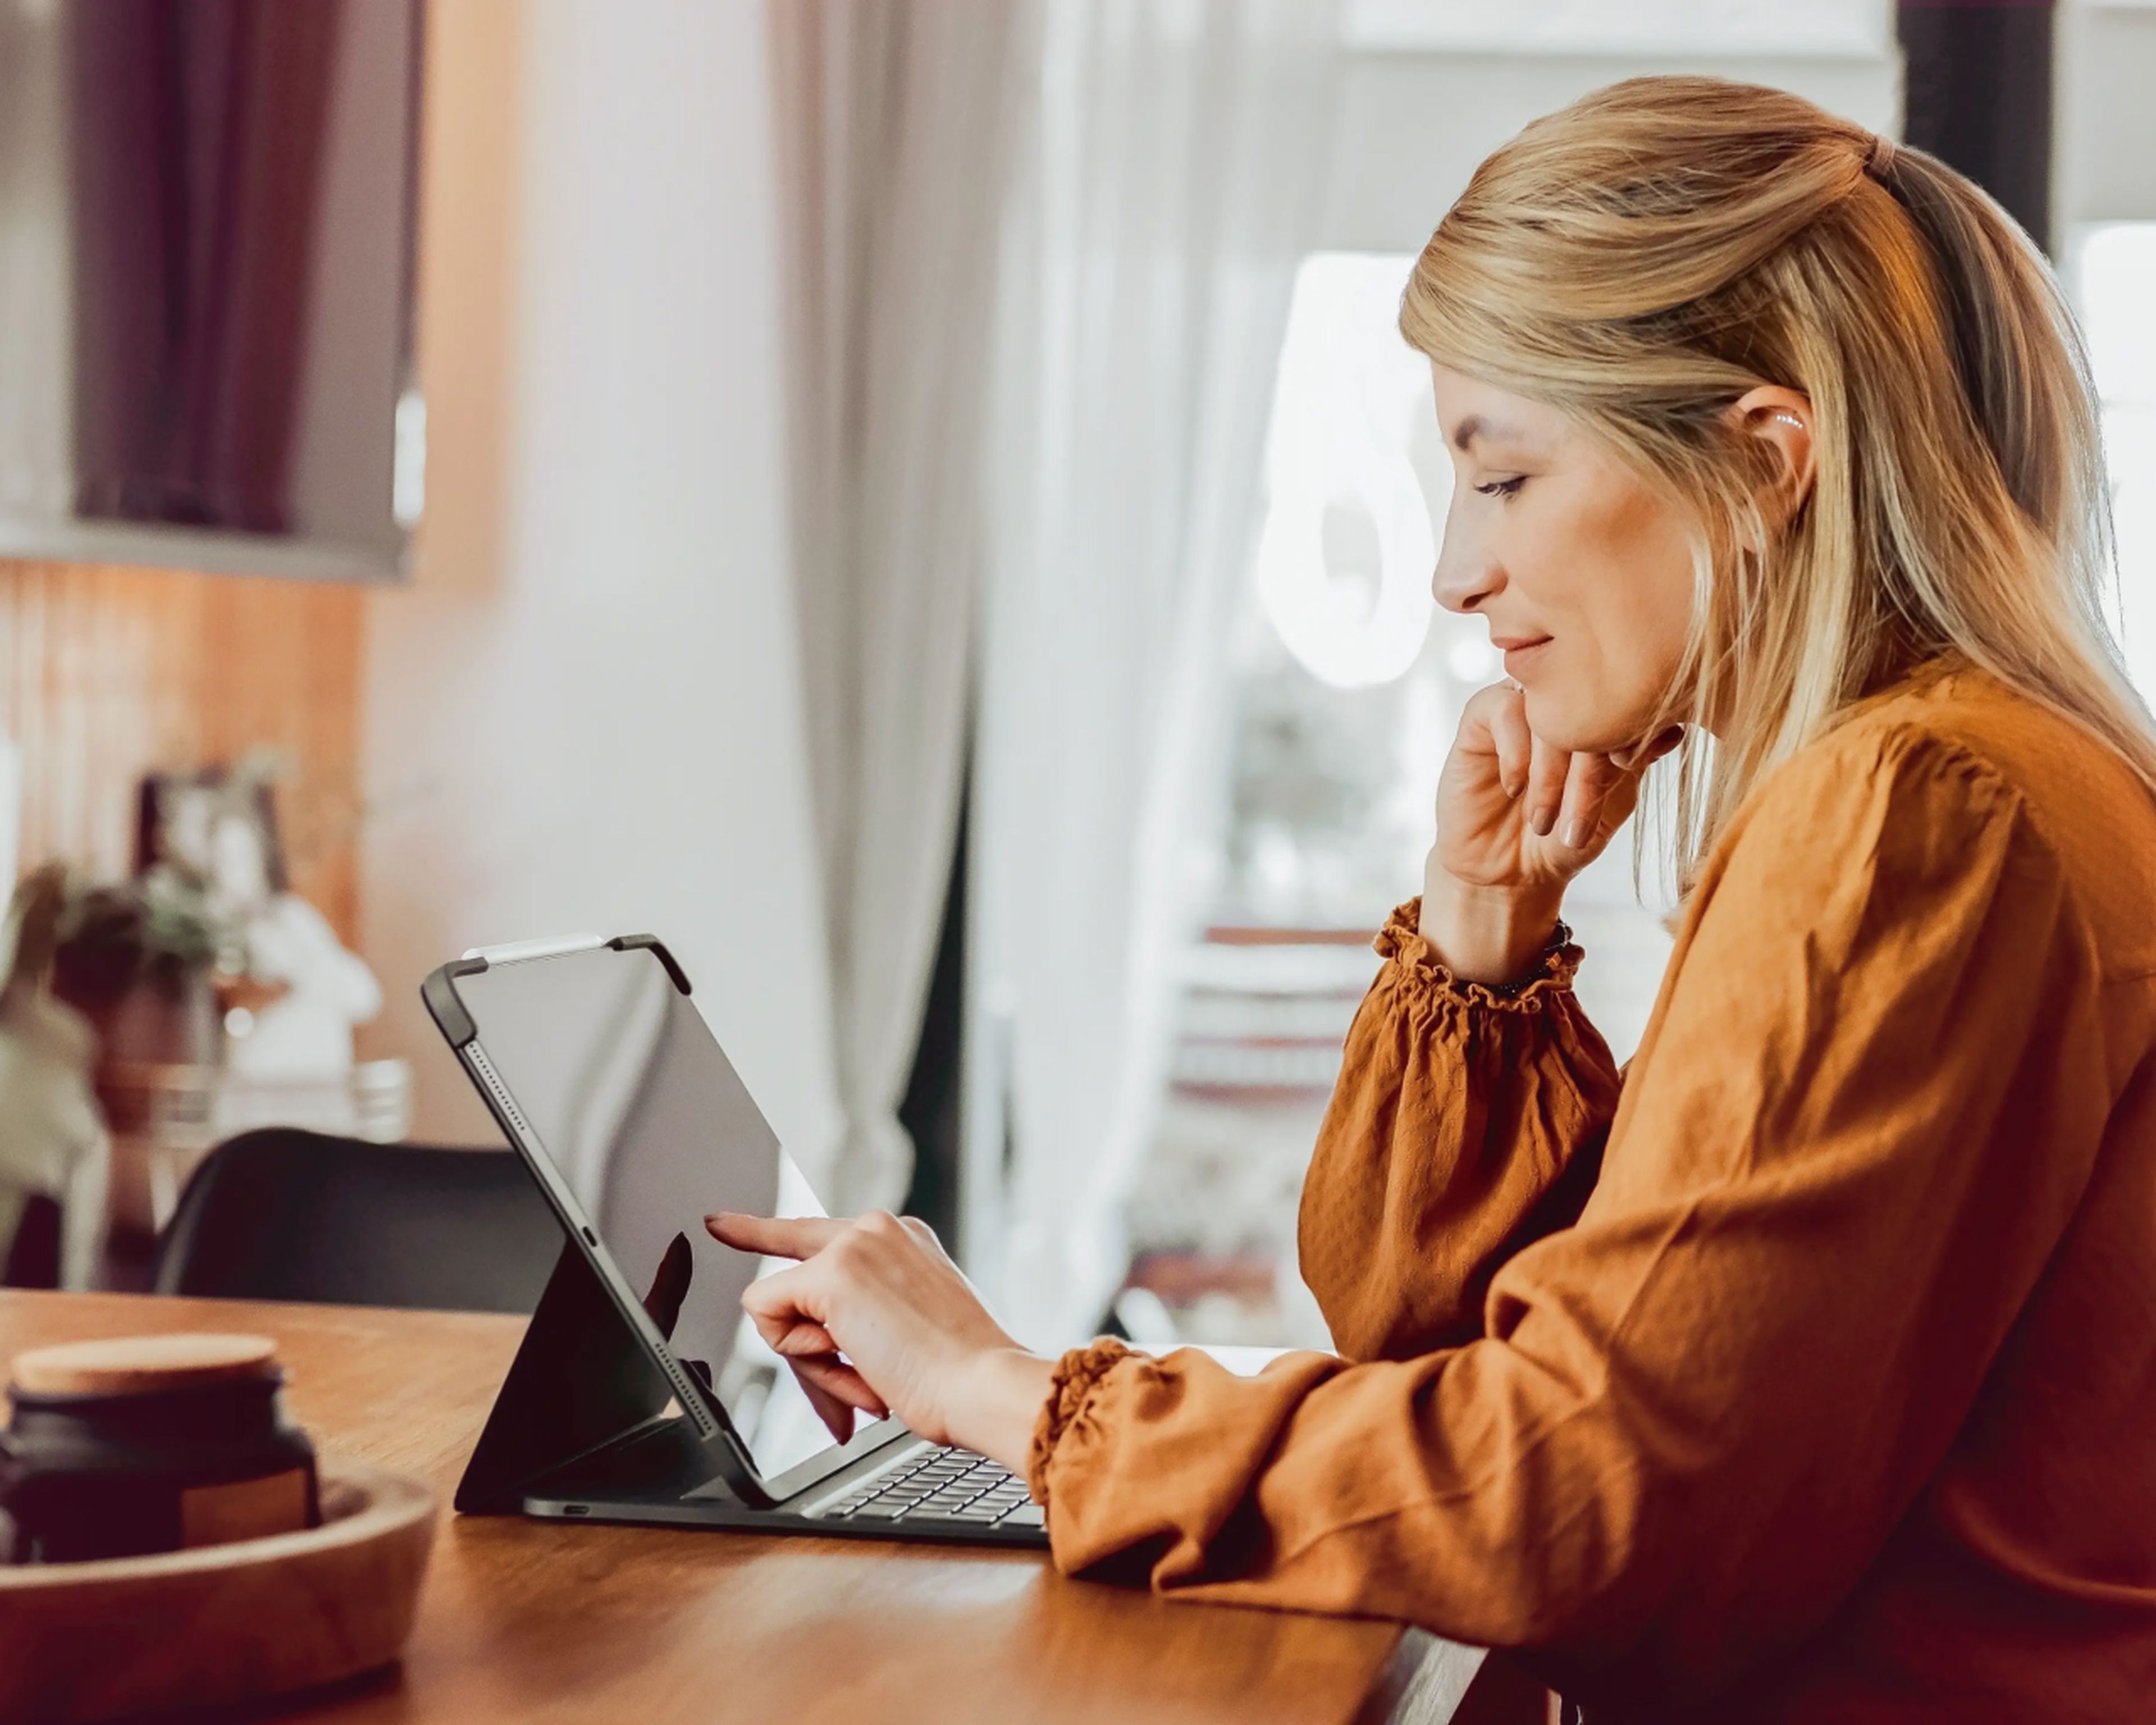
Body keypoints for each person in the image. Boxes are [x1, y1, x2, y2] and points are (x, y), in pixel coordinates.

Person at [708, 76, 2156, 1720]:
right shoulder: (1995, 774)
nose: (1456, 574)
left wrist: (1005, 1391)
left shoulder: (1917, 808)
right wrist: (1482, 935)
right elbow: (1452, 1351)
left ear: (1764, 464)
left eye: (1507, 478)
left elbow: (1579, 1502)